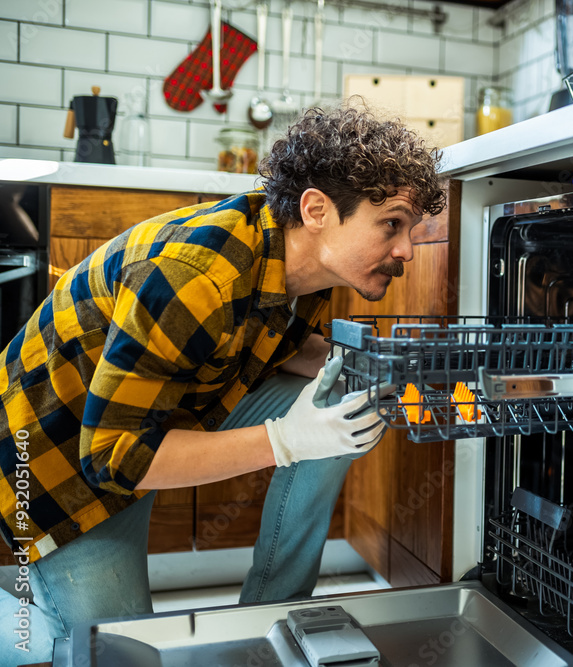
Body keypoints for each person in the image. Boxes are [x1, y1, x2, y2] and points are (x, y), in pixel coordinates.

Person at [0, 105, 445, 664]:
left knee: (343, 406)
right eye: (392, 224)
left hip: (164, 414)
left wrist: (367, 365)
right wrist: (286, 440)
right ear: (316, 209)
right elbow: (113, 458)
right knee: (119, 652)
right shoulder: (196, 275)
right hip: (58, 457)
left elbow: (273, 341)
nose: (407, 249)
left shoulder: (301, 263)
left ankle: (269, 619)